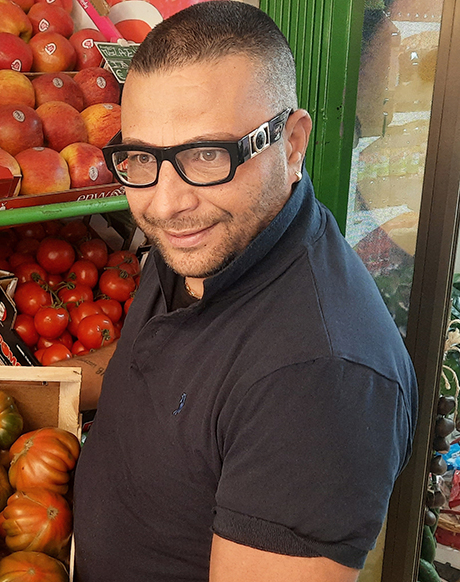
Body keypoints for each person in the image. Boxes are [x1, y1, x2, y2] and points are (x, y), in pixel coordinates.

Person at [65, 2, 419, 581]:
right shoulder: (212, 235)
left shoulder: (319, 381)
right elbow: (166, 362)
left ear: (294, 141)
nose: (164, 203)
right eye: (140, 158)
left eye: (209, 155)